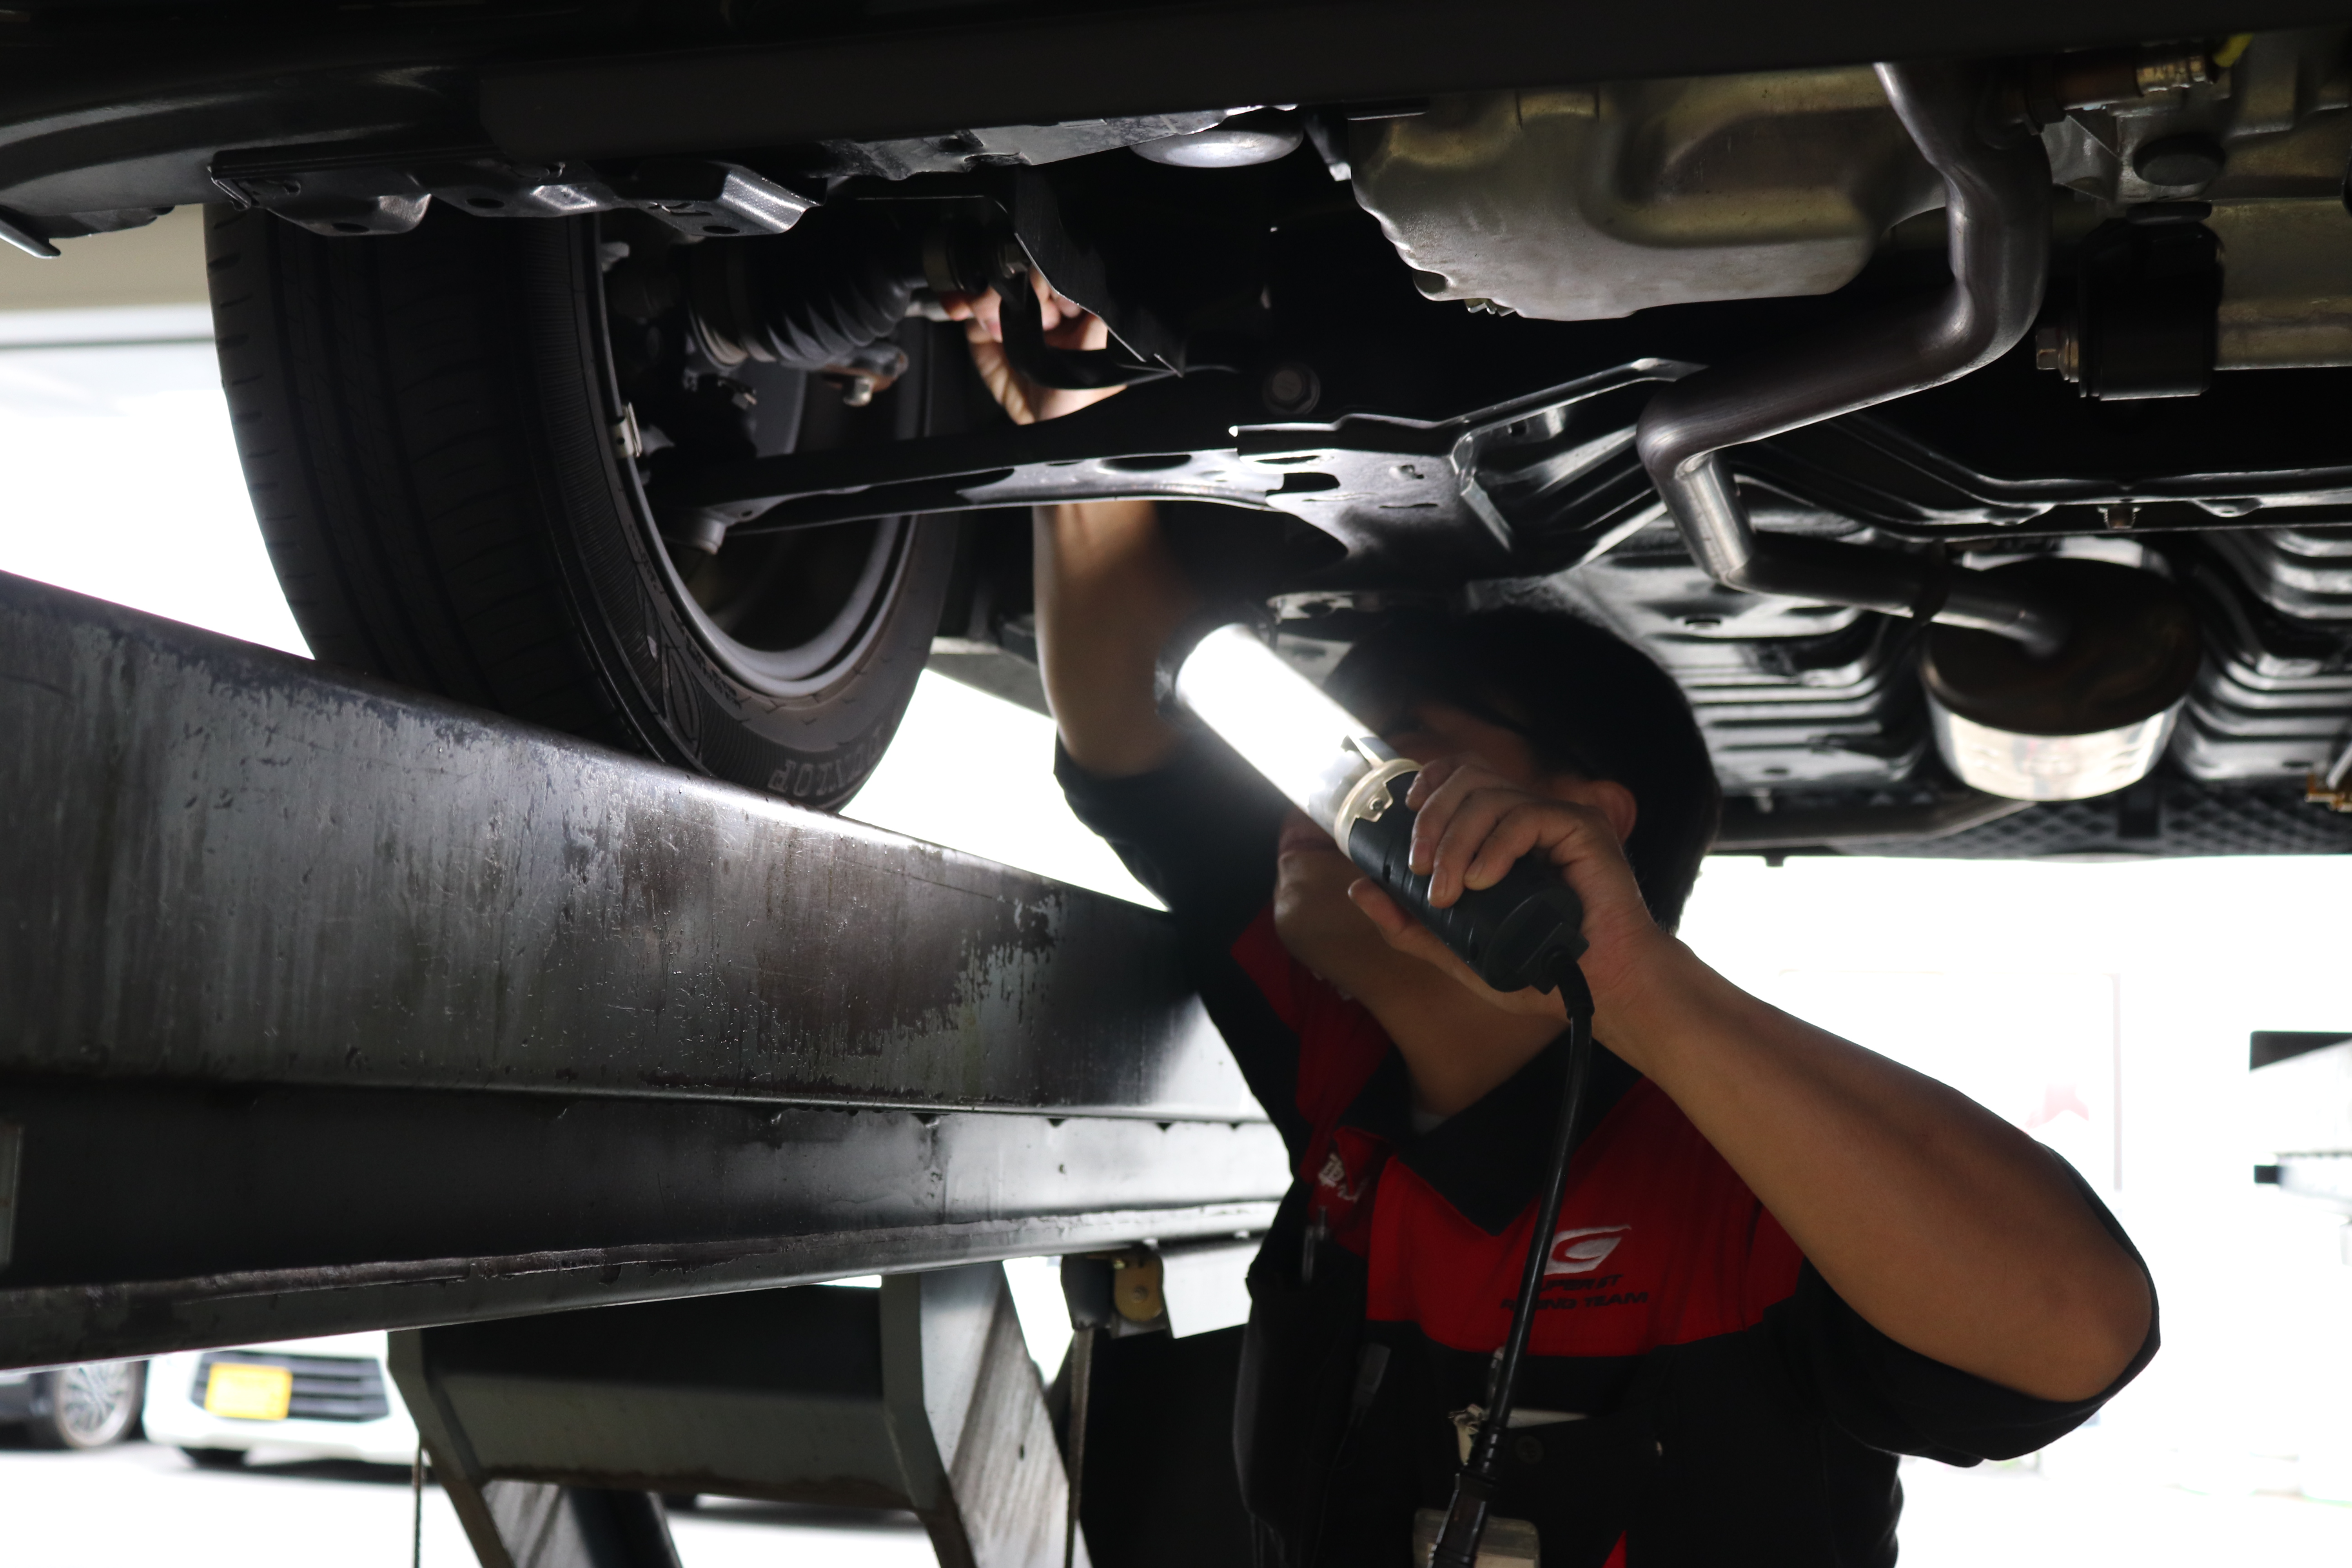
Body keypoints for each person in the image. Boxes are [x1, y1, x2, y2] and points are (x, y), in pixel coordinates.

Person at [945, 279, 2158, 1567]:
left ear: (1584, 821)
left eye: (1388, 761)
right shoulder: (1349, 1071)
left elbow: (2074, 1329)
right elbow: (1137, 739)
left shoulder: (1749, 1185)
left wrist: (1639, 986)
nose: (1316, 804)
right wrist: (1072, 417)